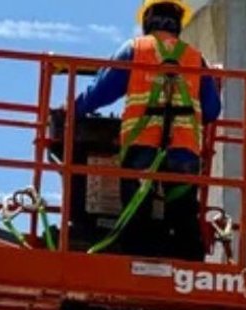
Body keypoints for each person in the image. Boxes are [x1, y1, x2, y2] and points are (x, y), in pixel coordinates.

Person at [73, 0, 221, 261]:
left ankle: (137, 267)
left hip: (142, 150)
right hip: (184, 155)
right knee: (184, 216)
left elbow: (100, 91)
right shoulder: (195, 58)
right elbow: (211, 110)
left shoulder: (135, 50)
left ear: (147, 20)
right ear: (178, 23)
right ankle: (189, 272)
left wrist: (72, 110)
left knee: (137, 214)